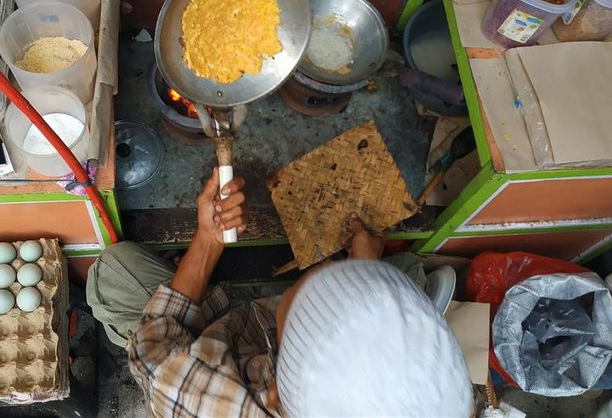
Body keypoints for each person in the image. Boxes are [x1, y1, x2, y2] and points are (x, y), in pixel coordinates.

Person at [87, 168, 473, 417]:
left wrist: (207, 242)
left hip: (211, 347)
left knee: (113, 274)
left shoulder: (201, 403)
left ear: (273, 389)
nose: (324, 270)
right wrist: (367, 272)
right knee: (411, 277)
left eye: (309, 301)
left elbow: (150, 352)